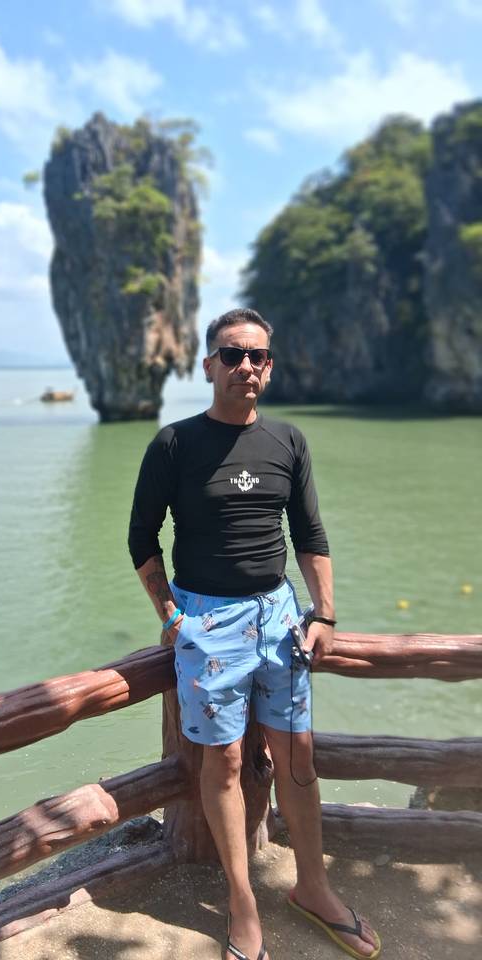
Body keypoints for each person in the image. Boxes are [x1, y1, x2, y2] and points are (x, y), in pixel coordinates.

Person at [127, 308, 381, 960]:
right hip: (206, 619)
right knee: (228, 759)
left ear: (269, 367)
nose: (245, 366)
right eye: (232, 354)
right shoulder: (174, 445)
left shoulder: (288, 442)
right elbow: (141, 538)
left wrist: (323, 612)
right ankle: (242, 903)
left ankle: (312, 886)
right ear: (208, 364)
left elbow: (310, 536)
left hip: (277, 615)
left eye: (257, 356)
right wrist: (172, 616)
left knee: (295, 753)